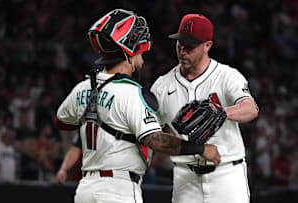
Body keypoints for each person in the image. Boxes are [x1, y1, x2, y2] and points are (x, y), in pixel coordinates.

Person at [54, 9, 221, 203]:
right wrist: (201, 149)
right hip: (118, 190)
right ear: (130, 54)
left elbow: (62, 121)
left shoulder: (82, 88)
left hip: (85, 191)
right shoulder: (130, 92)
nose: (142, 59)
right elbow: (155, 140)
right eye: (140, 53)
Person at [150, 13, 259, 203]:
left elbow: (250, 108)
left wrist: (222, 112)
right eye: (180, 44)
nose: (182, 51)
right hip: (185, 178)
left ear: (207, 45)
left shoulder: (226, 76)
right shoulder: (161, 86)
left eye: (190, 46)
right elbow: (151, 135)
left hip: (227, 175)